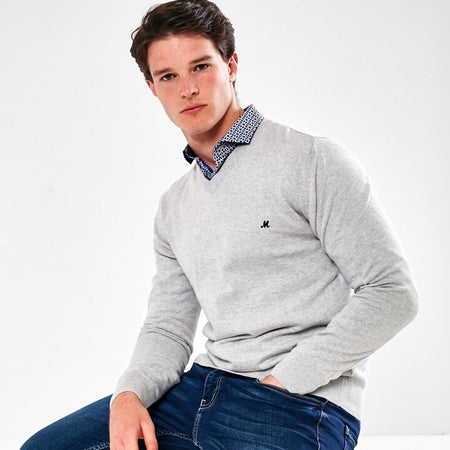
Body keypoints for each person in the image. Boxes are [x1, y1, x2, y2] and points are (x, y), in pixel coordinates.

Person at [21, 0, 419, 449]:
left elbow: (392, 293)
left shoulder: (312, 160)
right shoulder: (174, 206)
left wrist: (284, 381)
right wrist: (129, 395)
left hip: (297, 401)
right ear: (152, 88)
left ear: (231, 65)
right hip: (199, 389)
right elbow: (167, 328)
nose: (188, 88)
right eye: (168, 76)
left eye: (200, 66)